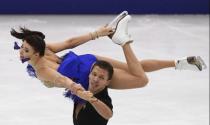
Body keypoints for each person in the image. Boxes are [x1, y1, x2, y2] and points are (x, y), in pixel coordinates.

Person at [11, 12, 206, 103]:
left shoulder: (42, 69)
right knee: (133, 66)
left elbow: (63, 80)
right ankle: (178, 64)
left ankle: (123, 41)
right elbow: (70, 44)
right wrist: (98, 33)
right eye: (23, 48)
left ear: (36, 52)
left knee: (141, 80)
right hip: (88, 59)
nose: (21, 52)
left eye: (25, 49)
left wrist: (80, 92)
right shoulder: (45, 49)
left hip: (92, 73)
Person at [73, 60, 113, 125]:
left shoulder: (104, 98)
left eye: (101, 77)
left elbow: (108, 115)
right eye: (94, 74)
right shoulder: (82, 88)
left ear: (107, 82)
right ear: (89, 74)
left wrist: (90, 98)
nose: (96, 79)